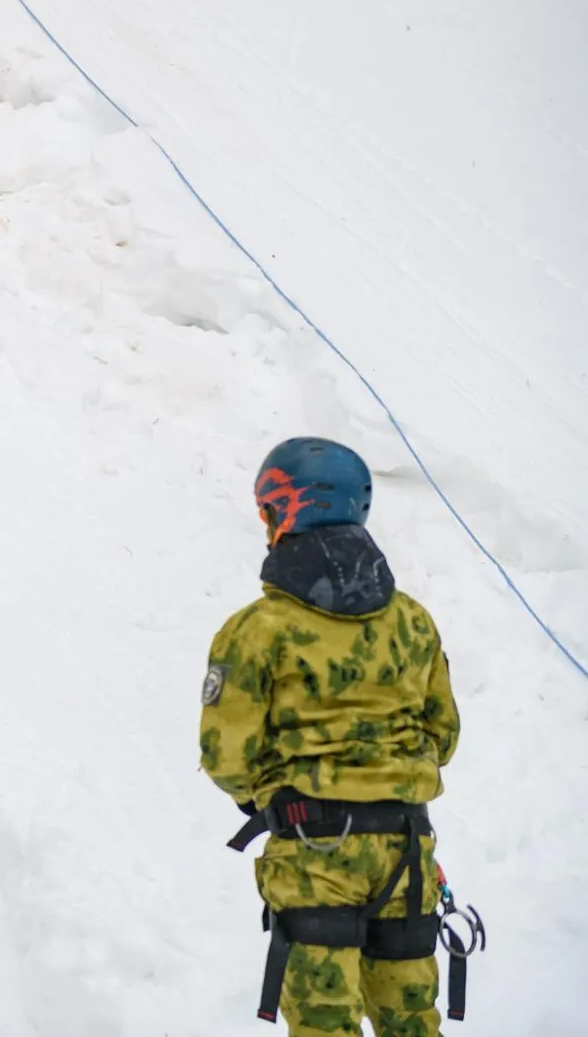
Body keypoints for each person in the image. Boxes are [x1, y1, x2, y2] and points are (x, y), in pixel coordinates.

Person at [200, 437, 462, 1035]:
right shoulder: (412, 622)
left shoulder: (258, 630)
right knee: (412, 1020)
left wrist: (263, 790)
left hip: (314, 849)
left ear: (288, 510)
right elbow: (442, 735)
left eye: (268, 510)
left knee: (323, 1020)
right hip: (406, 851)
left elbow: (226, 756)